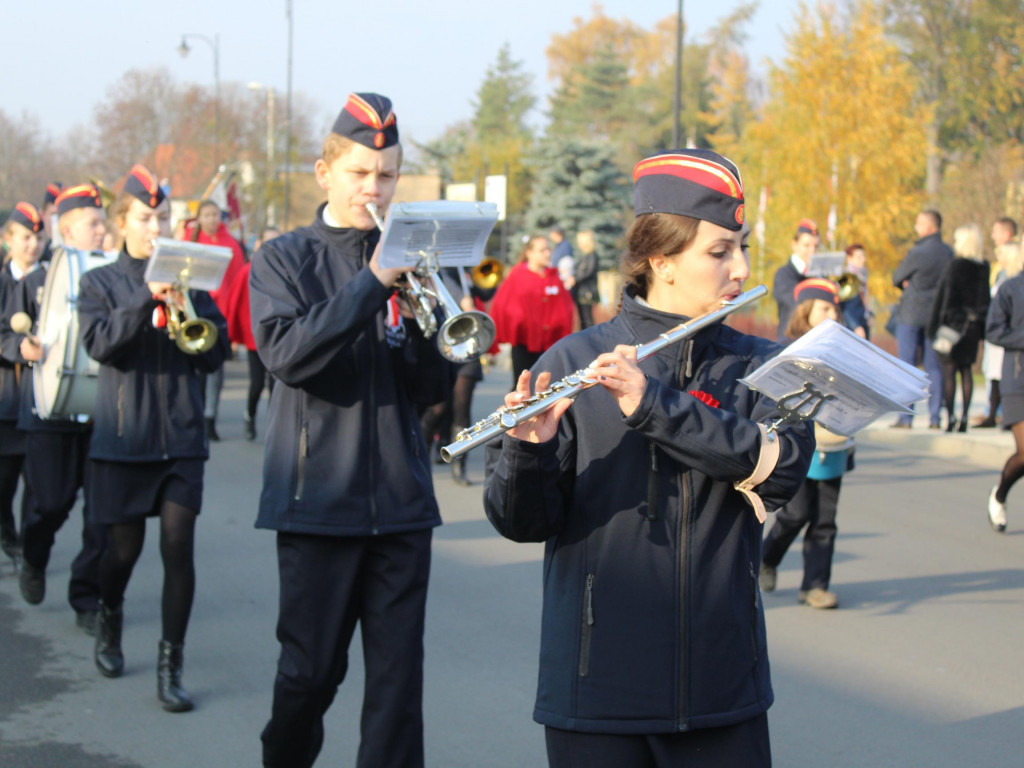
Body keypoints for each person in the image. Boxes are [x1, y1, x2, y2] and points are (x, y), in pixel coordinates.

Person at [483, 148, 814, 767]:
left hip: (721, 690)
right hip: (595, 693)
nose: (740, 266)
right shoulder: (573, 360)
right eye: (719, 252)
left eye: (740, 246)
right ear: (660, 260)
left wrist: (655, 406)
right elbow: (522, 523)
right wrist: (527, 452)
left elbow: (785, 465)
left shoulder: (759, 365)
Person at [250, 92, 450, 768]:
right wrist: (372, 283)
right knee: (309, 677)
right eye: (361, 172)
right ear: (325, 172)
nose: (375, 187)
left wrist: (440, 334)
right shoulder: (283, 259)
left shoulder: (416, 261)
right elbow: (288, 355)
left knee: (397, 692)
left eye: (388, 174)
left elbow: (428, 391)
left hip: (400, 506)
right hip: (316, 504)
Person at [77, 164, 229, 712]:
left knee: (176, 548)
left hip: (182, 441)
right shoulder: (98, 283)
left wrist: (191, 313)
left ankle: (171, 664)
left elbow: (215, 353)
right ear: (123, 221)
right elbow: (100, 345)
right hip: (123, 440)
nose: (155, 225)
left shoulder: (190, 274)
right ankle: (110, 617)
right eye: (145, 217)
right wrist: (147, 298)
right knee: (121, 553)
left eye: (162, 216)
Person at [5, 184, 107, 633]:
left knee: (101, 515)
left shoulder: (114, 274)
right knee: (50, 503)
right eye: (95, 224)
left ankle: (87, 598)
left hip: (101, 412)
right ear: (67, 229)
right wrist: (19, 346)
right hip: (49, 410)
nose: (104, 232)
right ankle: (33, 554)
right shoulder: (44, 279)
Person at [760, 279, 855, 610]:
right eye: (825, 308)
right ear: (806, 311)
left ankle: (815, 586)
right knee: (796, 513)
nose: (833, 315)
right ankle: (766, 558)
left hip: (834, 444)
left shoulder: (844, 350)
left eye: (835, 309)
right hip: (799, 443)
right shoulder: (788, 348)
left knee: (825, 518)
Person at [0, 203, 44, 563]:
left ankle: (30, 542)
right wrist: (17, 346)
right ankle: (6, 531)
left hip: (41, 397)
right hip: (5, 397)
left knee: (39, 481)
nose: (33, 244)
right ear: (7, 240)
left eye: (38, 237)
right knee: (4, 480)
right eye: (26, 237)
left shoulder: (50, 280)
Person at [185, 199, 246, 441]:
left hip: (219, 316)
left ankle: (210, 417)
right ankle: (194, 413)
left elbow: (236, 285)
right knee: (193, 370)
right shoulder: (188, 242)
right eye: (206, 215)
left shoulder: (231, 245)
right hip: (192, 314)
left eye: (214, 215)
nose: (211, 219)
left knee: (215, 371)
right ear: (199, 218)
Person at [891, 209, 954, 428]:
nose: (916, 228)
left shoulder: (918, 252)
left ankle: (906, 417)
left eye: (918, 224)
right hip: (936, 316)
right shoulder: (948, 253)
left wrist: (906, 284)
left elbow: (897, 277)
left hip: (911, 313)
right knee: (934, 367)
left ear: (928, 226)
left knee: (907, 366)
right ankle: (935, 418)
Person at [926, 224, 990, 432]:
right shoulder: (983, 267)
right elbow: (985, 300)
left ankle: (951, 417)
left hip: (952, 326)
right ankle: (964, 419)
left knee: (949, 372)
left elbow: (944, 298)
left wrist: (934, 325)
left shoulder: (955, 266)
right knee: (967, 371)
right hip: (971, 327)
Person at [490, 234, 576, 388]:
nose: (547, 253)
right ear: (529, 253)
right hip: (524, 344)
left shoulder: (553, 276)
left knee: (547, 389)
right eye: (542, 250)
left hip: (550, 345)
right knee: (522, 387)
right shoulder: (517, 276)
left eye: (548, 249)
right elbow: (504, 305)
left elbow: (566, 308)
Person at [223, 226, 279, 440]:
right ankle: (250, 416)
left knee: (275, 385)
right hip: (254, 337)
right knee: (256, 383)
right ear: (258, 244)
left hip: (276, 337)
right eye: (267, 241)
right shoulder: (248, 270)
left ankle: (275, 427)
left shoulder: (284, 269)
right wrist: (231, 336)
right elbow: (235, 302)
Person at [976, 217, 1019, 428]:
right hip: (1009, 346)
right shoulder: (1006, 281)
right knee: (995, 374)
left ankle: (996, 412)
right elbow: (996, 329)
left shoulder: (1011, 284)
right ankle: (995, 412)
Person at [772, 218, 819, 343]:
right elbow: (798, 305)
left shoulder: (818, 275)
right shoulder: (784, 274)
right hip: (790, 343)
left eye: (816, 246)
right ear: (794, 245)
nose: (812, 251)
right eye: (807, 245)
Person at [838, 243, 870, 338]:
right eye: (859, 257)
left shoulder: (861, 276)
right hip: (852, 327)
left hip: (863, 321)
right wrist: (855, 326)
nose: (863, 260)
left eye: (863, 256)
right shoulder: (845, 278)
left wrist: (869, 314)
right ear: (849, 258)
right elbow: (843, 308)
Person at [572, 229, 600, 329]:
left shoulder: (592, 255)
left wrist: (575, 279)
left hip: (587, 292)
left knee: (587, 319)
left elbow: (588, 272)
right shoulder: (584, 256)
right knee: (583, 319)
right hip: (580, 292)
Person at [38, 182, 63, 263]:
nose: (58, 220)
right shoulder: (39, 253)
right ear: (43, 215)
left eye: (61, 215)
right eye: (53, 215)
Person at [549, 226, 574, 291]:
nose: (550, 236)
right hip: (556, 278)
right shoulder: (558, 246)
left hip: (563, 280)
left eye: (552, 234)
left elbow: (567, 264)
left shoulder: (565, 246)